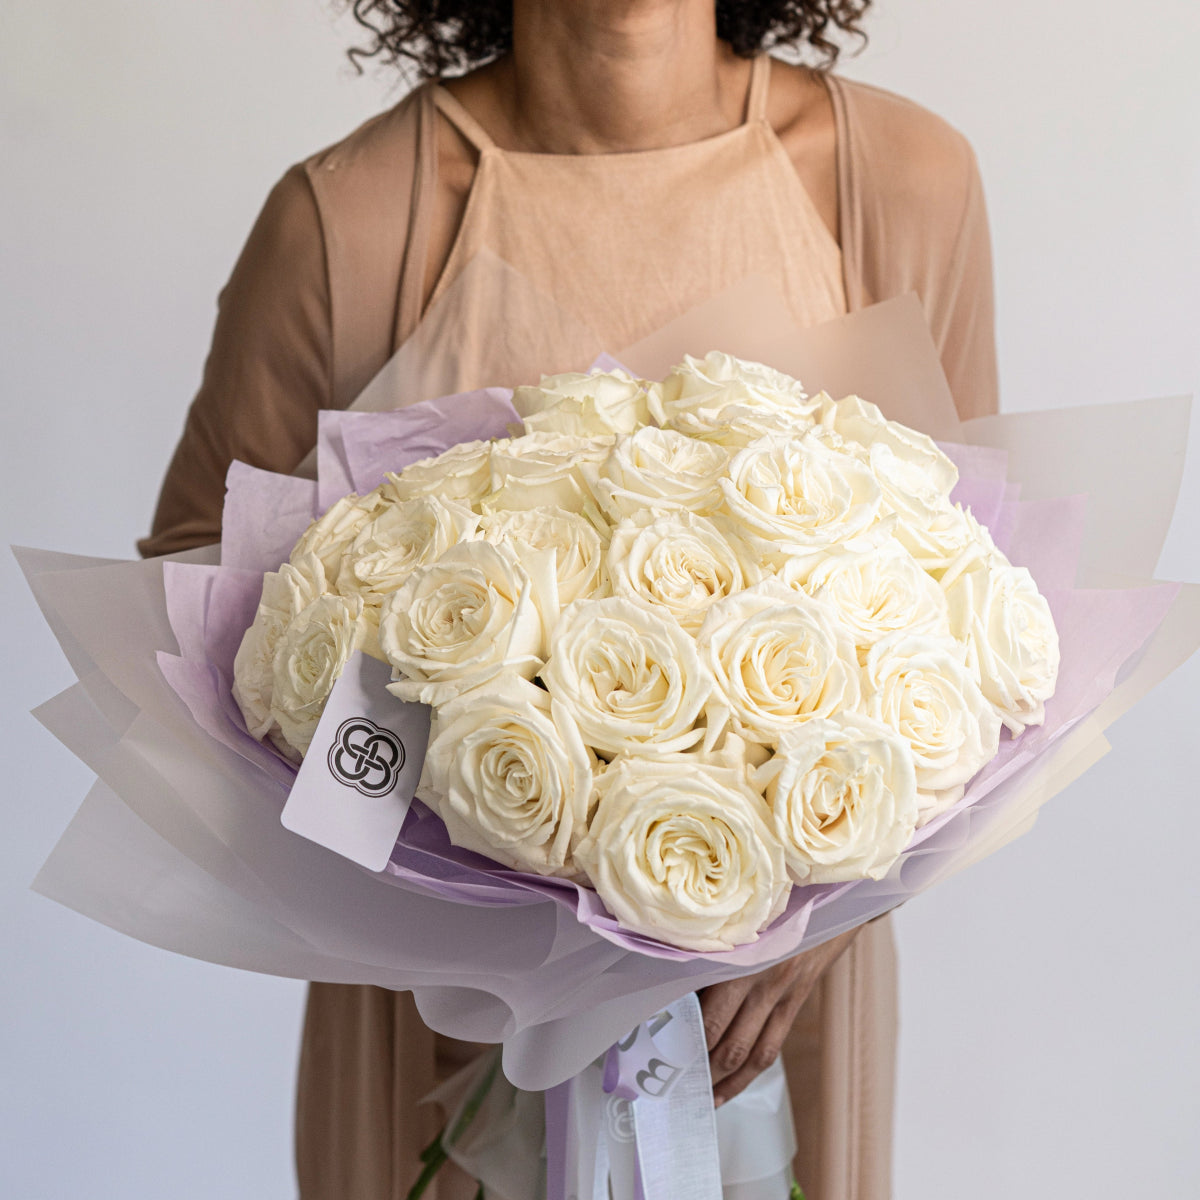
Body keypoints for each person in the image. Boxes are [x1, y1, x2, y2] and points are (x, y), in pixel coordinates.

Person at [140, 2, 998, 1196]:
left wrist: (833, 903)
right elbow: (202, 592)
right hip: (432, 1026)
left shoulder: (899, 180)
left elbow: (970, 610)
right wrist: (465, 838)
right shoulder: (348, 216)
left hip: (772, 1025)